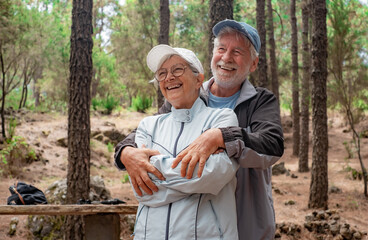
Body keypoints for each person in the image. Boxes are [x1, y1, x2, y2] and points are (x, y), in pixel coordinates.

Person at [115, 19, 284, 240]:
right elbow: (147, 132)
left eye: (237, 52)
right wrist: (125, 152)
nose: (226, 57)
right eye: (221, 49)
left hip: (247, 222)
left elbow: (271, 146)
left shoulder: (260, 101)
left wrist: (221, 136)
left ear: (253, 64)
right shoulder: (185, 95)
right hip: (194, 227)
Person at [130, 44, 239, 239]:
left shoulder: (222, 119)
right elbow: (142, 191)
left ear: (199, 79)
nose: (169, 77)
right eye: (161, 73)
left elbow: (212, 177)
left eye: (177, 69)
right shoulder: (147, 126)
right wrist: (191, 176)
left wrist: (154, 167)